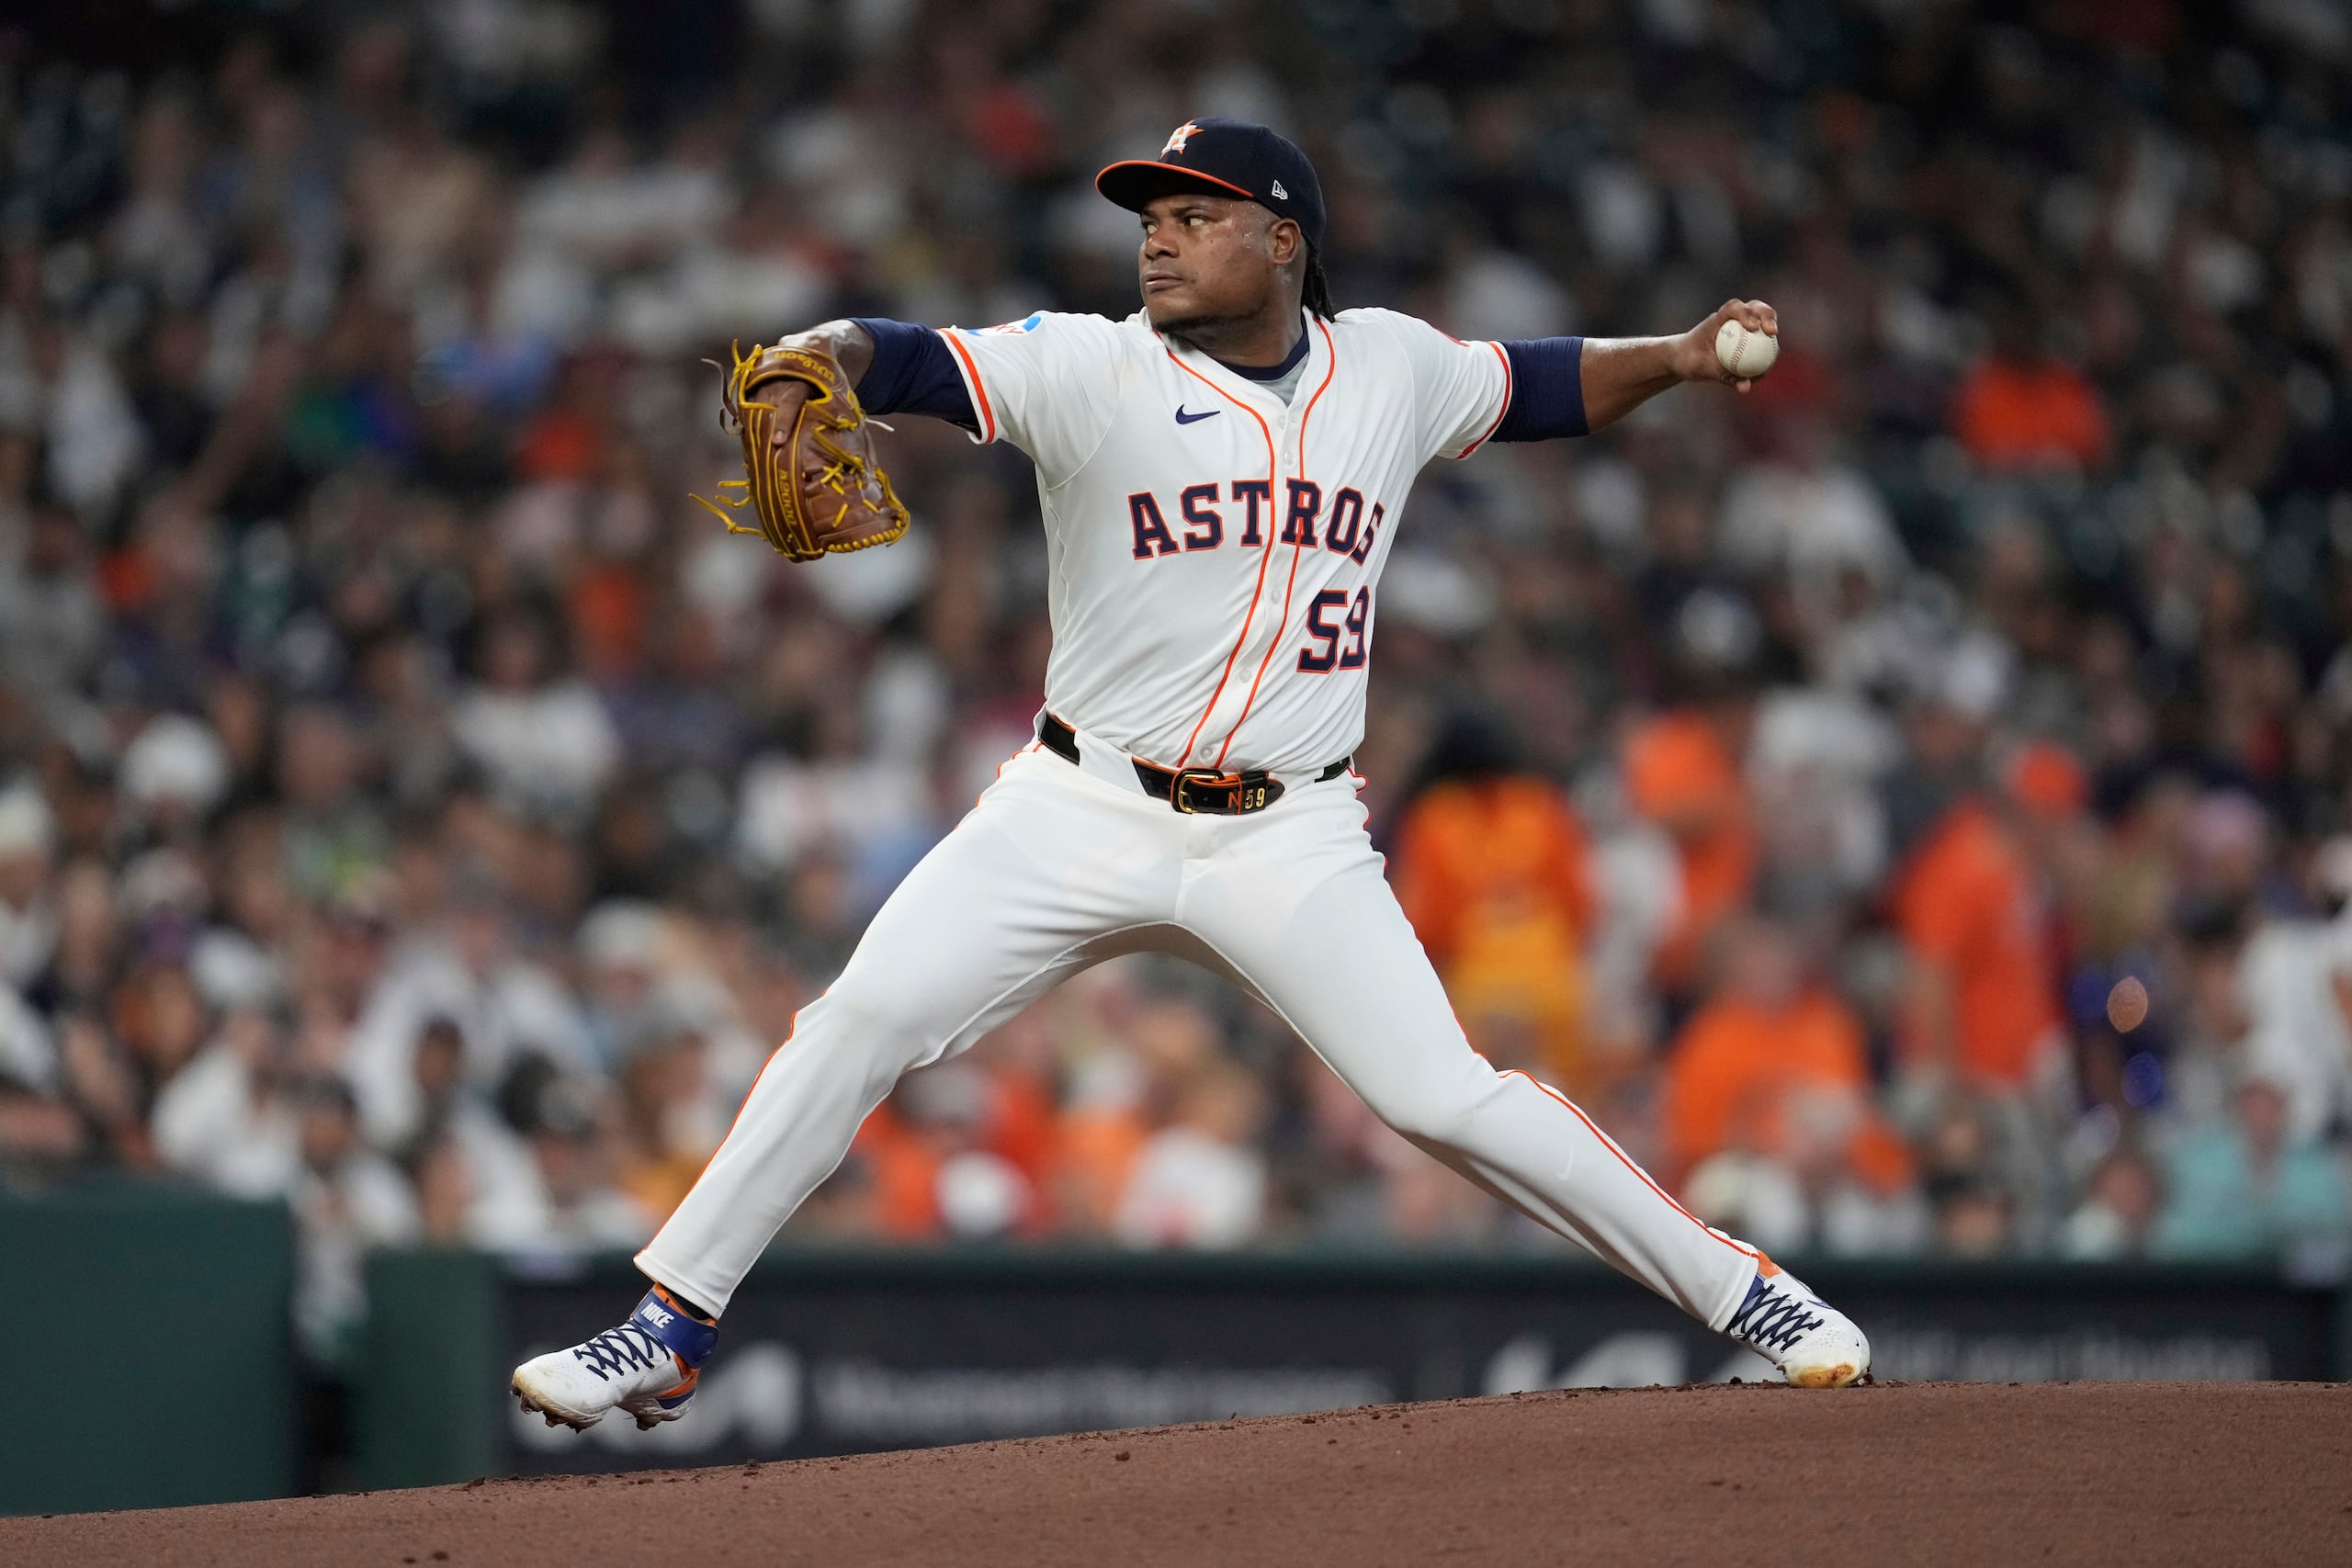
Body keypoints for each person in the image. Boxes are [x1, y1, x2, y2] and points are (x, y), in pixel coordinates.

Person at [511, 118, 1870, 1434]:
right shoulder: (1091, 368)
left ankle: (1744, 1292)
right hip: (1077, 805)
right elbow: (920, 360)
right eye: (1150, 222)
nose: (1157, 245)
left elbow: (1542, 384)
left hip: (1292, 835)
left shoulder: (1387, 369)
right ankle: (669, 1325)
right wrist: (830, 351)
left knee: (1443, 1099)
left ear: (1282, 242)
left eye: (1193, 218)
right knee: (858, 1019)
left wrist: (1682, 358)